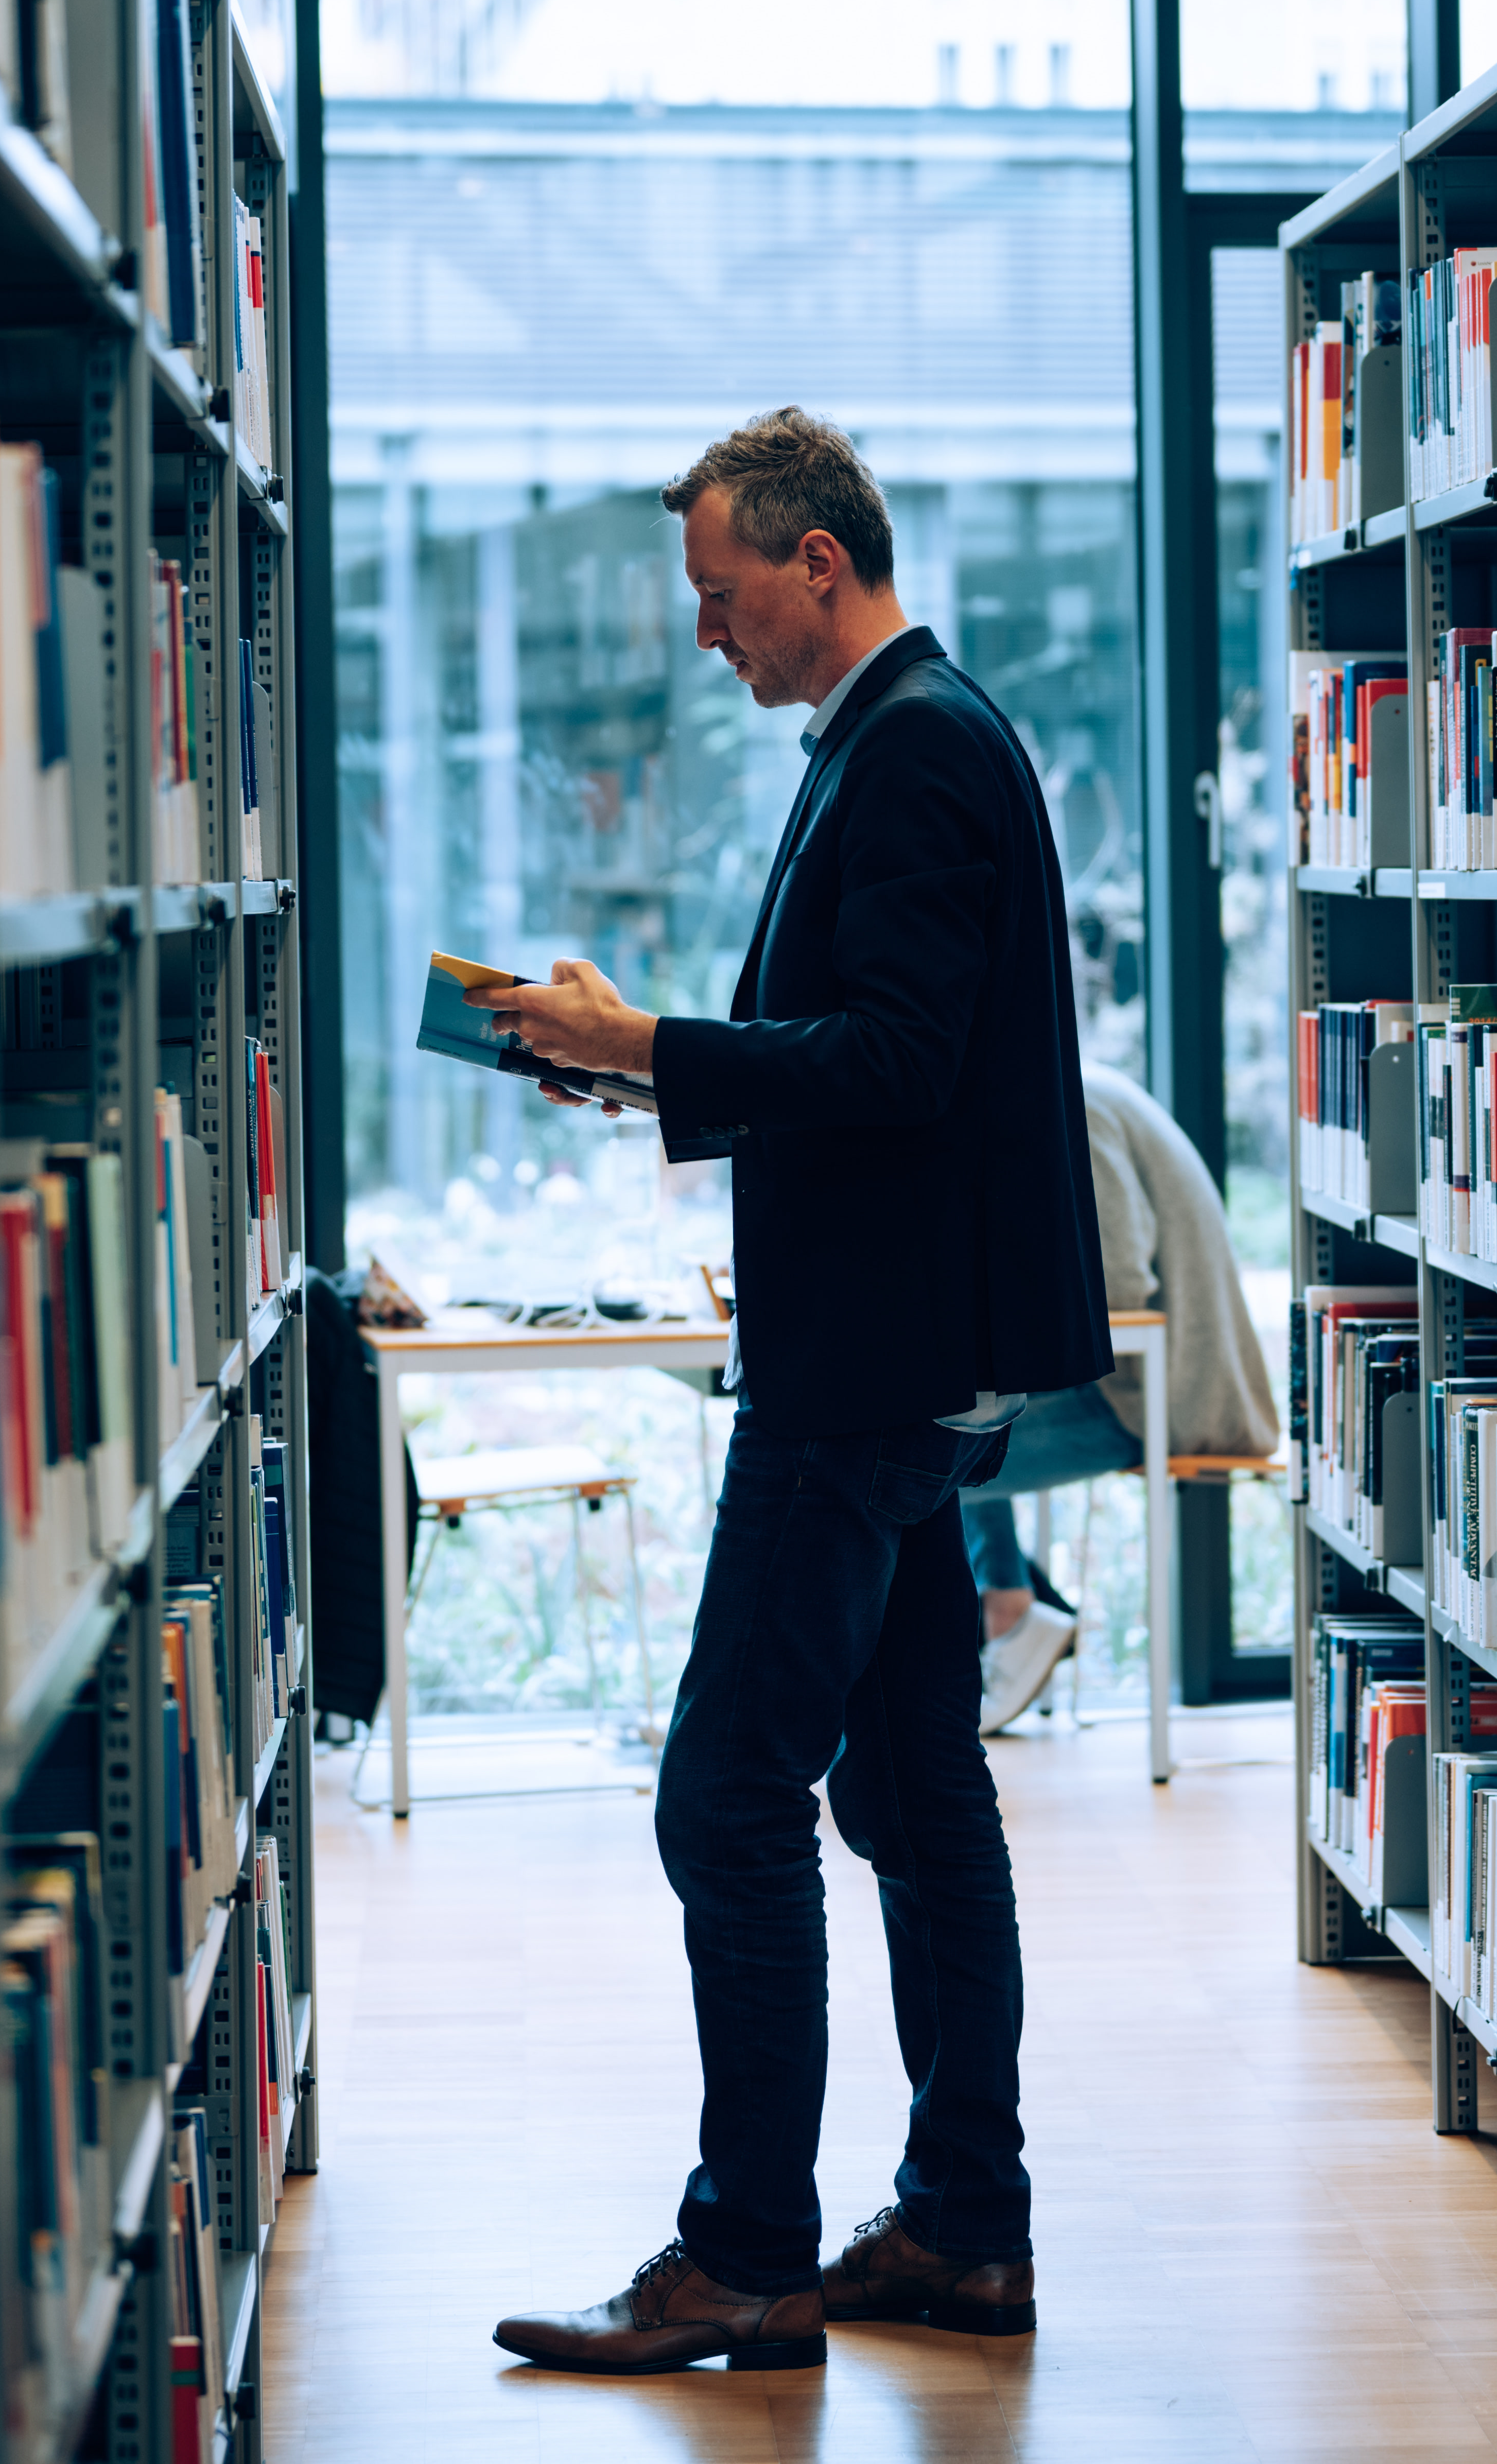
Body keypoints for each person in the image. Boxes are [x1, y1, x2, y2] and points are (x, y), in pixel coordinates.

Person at [473, 407, 1108, 2375]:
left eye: (718, 593)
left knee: (722, 1797)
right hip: (907, 1362)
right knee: (912, 1788)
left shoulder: (914, 746)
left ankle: (743, 2249)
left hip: (861, 1380)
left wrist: (658, 1036)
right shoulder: (908, 732)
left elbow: (899, 1059)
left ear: (814, 563)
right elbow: (861, 1048)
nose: (702, 633)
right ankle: (961, 2228)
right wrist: (629, 1062)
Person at [955, 1060, 1285, 1732]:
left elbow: (1118, 1290)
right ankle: (1009, 1599)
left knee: (923, 1454)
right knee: (945, 1416)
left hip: (1162, 1399)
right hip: (1139, 1384)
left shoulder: (1071, 1107)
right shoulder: (1069, 1087)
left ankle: (1007, 1604)